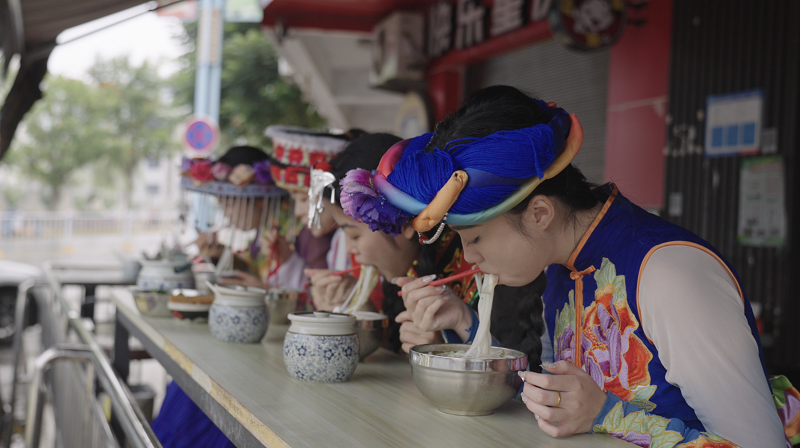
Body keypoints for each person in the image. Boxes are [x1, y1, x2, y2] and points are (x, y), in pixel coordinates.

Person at [345, 85, 785, 447]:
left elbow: (759, 444)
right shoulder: (562, 265)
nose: (470, 257)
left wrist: (607, 414)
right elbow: (560, 400)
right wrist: (463, 323)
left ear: (539, 213)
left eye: (475, 237)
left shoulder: (668, 274)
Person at [333, 134, 546, 361]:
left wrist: (441, 350)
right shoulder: (413, 271)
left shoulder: (498, 265)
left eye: (354, 235)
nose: (469, 254)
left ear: (400, 223)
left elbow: (518, 379)